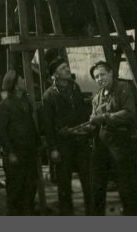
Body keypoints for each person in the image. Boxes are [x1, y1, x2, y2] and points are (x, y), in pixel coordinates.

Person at [88, 61, 137, 215]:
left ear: (111, 73)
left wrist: (104, 117)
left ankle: (134, 215)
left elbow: (129, 113)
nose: (100, 79)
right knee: (97, 183)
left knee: (126, 184)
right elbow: (94, 118)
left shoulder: (123, 88)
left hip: (121, 142)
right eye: (96, 77)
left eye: (102, 74)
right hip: (102, 143)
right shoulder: (97, 97)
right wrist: (91, 124)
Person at [41, 58, 94, 215]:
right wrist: (53, 149)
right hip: (63, 145)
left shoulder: (74, 88)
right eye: (63, 68)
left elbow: (82, 112)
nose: (67, 69)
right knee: (64, 185)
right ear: (55, 74)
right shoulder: (49, 95)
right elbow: (48, 126)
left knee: (88, 182)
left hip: (81, 142)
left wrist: (86, 129)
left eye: (67, 67)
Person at [0, 70, 40, 215]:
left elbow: (30, 124)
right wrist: (10, 152)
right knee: (16, 190)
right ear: (15, 84)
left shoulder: (26, 102)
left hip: (29, 152)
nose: (24, 81)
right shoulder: (5, 105)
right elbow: (1, 132)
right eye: (22, 79)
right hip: (15, 154)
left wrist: (38, 143)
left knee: (30, 188)